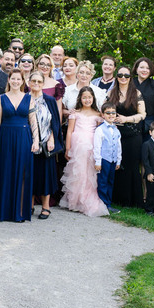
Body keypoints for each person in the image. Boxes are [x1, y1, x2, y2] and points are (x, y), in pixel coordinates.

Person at [0, 69, 38, 222]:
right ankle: (3, 211)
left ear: (23, 81)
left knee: (22, 173)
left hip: (24, 138)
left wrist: (36, 140)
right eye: (13, 79)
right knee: (5, 172)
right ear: (9, 80)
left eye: (18, 79)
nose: (16, 81)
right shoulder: (1, 98)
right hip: (5, 138)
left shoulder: (29, 98)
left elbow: (33, 120)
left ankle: (19, 212)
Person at [61, 86, 108, 216]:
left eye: (89, 97)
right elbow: (69, 131)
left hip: (91, 145)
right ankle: (75, 200)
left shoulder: (97, 115)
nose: (87, 100)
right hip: (77, 146)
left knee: (89, 172)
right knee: (77, 171)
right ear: (80, 99)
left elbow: (99, 132)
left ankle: (86, 198)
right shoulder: (75, 114)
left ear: (93, 98)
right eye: (84, 97)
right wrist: (68, 148)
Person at [105, 65, 146, 208]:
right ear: (116, 77)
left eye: (126, 76)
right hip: (115, 134)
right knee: (117, 165)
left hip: (133, 134)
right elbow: (104, 111)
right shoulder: (111, 93)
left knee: (131, 166)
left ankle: (132, 200)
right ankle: (117, 198)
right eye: (120, 75)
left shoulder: (136, 93)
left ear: (130, 78)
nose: (123, 78)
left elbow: (142, 114)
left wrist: (126, 119)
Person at [28, 71, 60, 220]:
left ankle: (46, 207)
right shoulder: (24, 99)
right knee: (30, 174)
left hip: (46, 143)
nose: (36, 84)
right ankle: (29, 205)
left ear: (43, 84)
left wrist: (52, 139)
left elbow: (55, 122)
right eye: (33, 81)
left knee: (45, 175)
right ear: (29, 82)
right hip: (28, 143)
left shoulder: (49, 100)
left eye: (39, 81)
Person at [93, 103, 122, 213]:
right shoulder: (100, 129)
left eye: (113, 113)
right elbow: (97, 146)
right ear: (103, 115)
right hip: (104, 160)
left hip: (113, 160)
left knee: (110, 181)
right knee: (103, 182)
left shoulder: (116, 129)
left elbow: (119, 146)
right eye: (108, 113)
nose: (111, 115)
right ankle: (103, 204)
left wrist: (118, 160)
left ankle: (108, 203)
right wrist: (98, 161)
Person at [133, 57, 154, 132]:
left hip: (150, 124)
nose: (144, 70)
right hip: (131, 122)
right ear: (136, 69)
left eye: (148, 68)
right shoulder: (130, 83)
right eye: (142, 67)